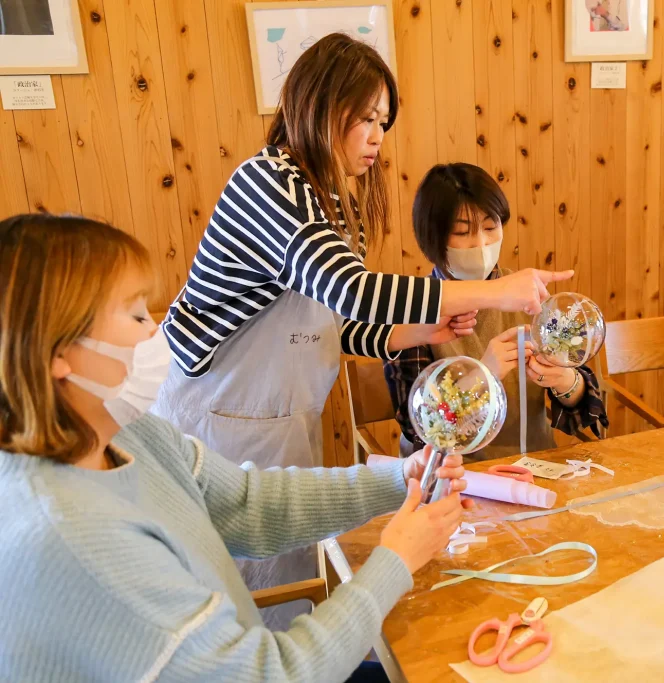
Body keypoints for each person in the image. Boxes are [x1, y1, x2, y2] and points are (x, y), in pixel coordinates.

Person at [153, 33, 570, 626]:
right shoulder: (268, 183)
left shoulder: (333, 205)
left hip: (282, 423)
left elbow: (334, 324)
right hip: (216, 420)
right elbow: (351, 288)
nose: (377, 135)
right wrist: (499, 289)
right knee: (227, 601)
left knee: (283, 590)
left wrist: (412, 334)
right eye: (365, 117)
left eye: (383, 121)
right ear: (322, 105)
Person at [0, 214, 470, 682]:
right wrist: (395, 561)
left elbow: (248, 504)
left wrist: (398, 478)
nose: (154, 331)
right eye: (135, 313)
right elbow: (270, 675)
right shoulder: (73, 540)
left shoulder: (129, 435)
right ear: (57, 350)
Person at [385, 164, 608, 459]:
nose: (480, 244)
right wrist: (481, 375)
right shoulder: (414, 310)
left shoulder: (528, 294)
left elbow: (588, 407)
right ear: (433, 238)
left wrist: (566, 382)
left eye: (490, 228)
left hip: (534, 468)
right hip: (455, 480)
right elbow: (418, 429)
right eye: (462, 232)